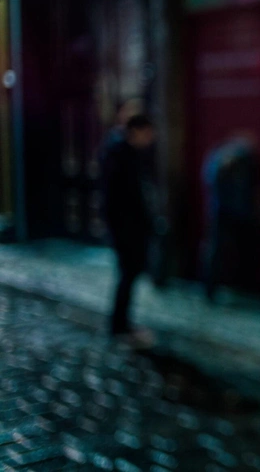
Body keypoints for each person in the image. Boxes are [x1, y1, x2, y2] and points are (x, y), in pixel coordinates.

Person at [100, 111, 157, 348]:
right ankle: (119, 325)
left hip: (132, 228)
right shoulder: (120, 156)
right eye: (147, 133)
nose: (150, 139)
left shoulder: (130, 155)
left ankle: (122, 323)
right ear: (136, 131)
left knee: (129, 275)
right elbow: (117, 199)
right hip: (126, 229)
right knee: (127, 274)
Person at [200, 133, 260, 302]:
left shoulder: (225, 159)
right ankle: (213, 287)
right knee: (219, 250)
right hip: (226, 212)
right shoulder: (227, 160)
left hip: (231, 211)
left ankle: (229, 286)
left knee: (229, 250)